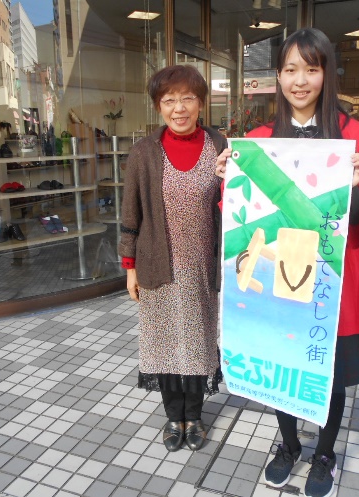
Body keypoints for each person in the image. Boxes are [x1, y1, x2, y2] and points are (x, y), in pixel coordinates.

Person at [216, 28, 359, 497]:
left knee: (325, 372)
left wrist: (358, 186)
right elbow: (239, 214)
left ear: (326, 74)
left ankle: (325, 453)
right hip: (277, 273)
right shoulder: (257, 141)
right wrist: (230, 178)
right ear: (277, 76)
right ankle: (291, 444)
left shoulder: (356, 136)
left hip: (332, 278)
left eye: (311, 69)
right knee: (283, 362)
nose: (300, 80)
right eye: (291, 69)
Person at [119, 65, 226, 452]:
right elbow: (130, 215)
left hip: (202, 266)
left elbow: (239, 200)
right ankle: (173, 416)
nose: (178, 108)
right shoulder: (143, 152)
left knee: (197, 342)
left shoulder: (220, 145)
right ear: (158, 106)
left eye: (187, 98)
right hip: (157, 264)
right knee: (164, 343)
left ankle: (194, 415)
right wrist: (129, 268)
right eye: (169, 100)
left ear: (200, 103)